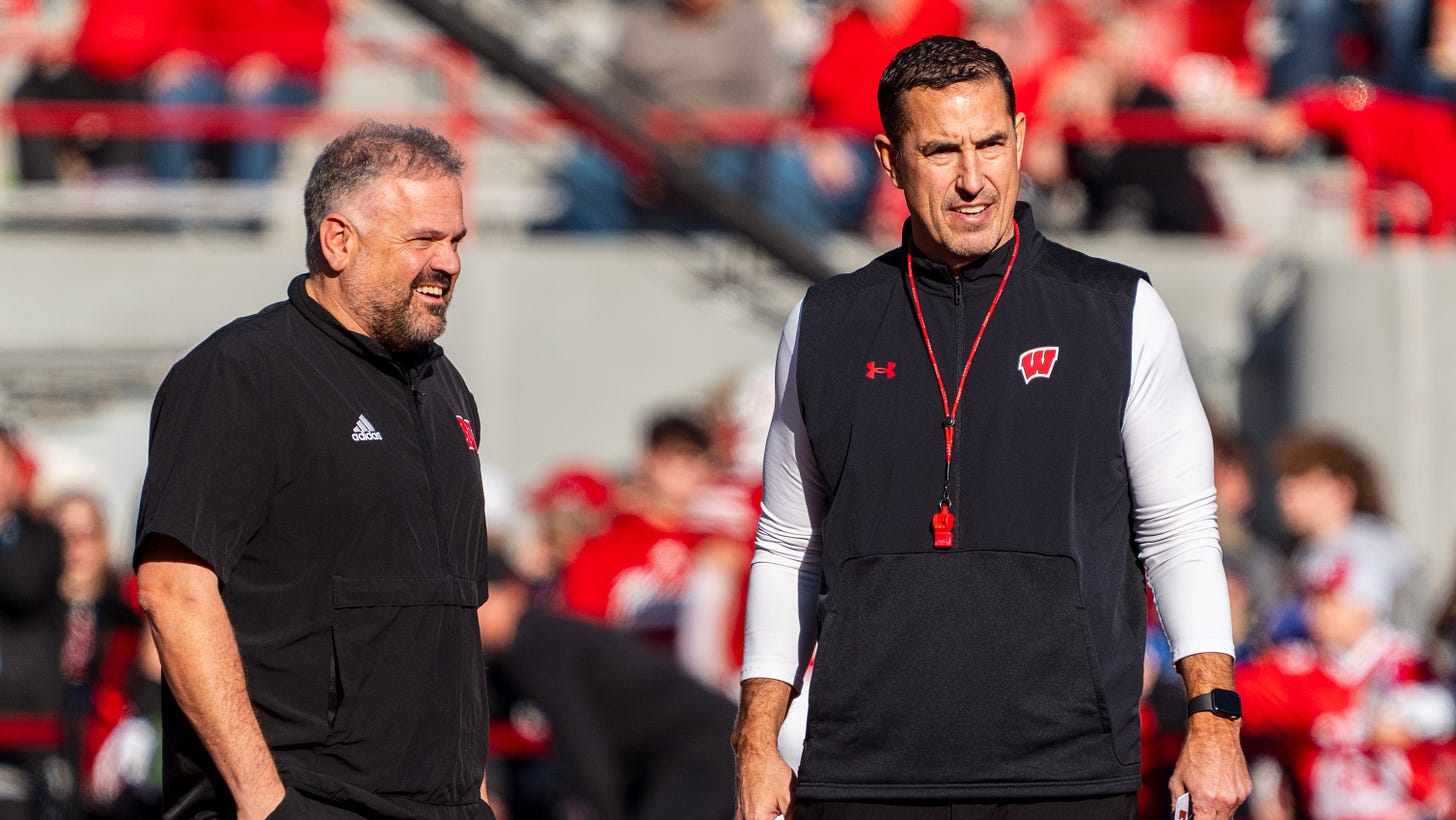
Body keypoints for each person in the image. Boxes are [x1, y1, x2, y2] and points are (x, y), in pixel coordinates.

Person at [732, 36, 1251, 820]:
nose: (973, 179)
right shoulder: (825, 324)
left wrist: (1214, 721)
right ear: (889, 157)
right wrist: (756, 743)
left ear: (1021, 138)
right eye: (941, 151)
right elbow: (785, 548)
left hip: (1068, 773)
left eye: (991, 144)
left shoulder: (1118, 310)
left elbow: (1179, 531)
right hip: (861, 776)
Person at [133, 121, 494, 819]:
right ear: (339, 241)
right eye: (423, 239)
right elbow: (174, 592)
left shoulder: (446, 388)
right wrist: (264, 802)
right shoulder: (241, 374)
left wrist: (473, 793)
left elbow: (453, 615)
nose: (448, 262)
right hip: (300, 802)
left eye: (455, 241)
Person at [480, 558, 736, 820]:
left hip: (702, 745)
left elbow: (581, 743)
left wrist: (606, 812)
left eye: (480, 602)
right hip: (676, 754)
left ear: (510, 593)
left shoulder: (535, 642)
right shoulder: (507, 660)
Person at [1238, 547, 1456, 818]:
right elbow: (1241, 698)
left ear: (1368, 604)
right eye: (1314, 599)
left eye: (1333, 600)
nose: (1319, 612)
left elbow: (1436, 710)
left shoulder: (1409, 661)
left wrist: (1412, 719)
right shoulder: (1296, 664)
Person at [558, 414, 712, 650]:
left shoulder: (718, 545)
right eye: (672, 455)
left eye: (693, 456)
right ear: (649, 460)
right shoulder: (603, 547)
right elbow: (583, 635)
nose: (683, 468)